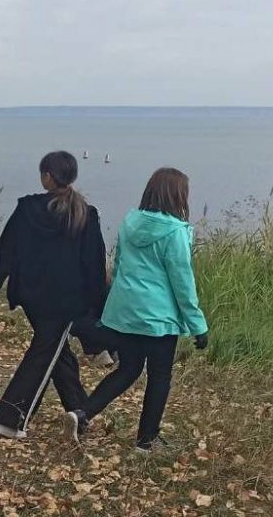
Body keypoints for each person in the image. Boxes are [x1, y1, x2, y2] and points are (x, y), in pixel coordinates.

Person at [64, 168, 209, 453]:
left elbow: (118, 266)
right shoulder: (176, 232)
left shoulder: (130, 222)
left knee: (128, 369)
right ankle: (147, 440)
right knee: (160, 377)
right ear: (178, 196)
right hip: (159, 319)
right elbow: (182, 281)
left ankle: (81, 414)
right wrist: (198, 325)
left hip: (127, 314)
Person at [0, 151, 107, 439]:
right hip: (66, 301)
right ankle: (9, 419)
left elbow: (4, 254)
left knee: (56, 352)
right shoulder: (86, 213)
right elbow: (95, 266)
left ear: (47, 176)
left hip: (32, 297)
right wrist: (99, 308)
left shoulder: (27, 210)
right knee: (44, 351)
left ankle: (79, 410)